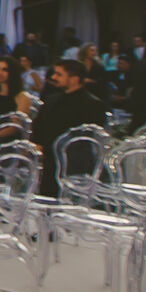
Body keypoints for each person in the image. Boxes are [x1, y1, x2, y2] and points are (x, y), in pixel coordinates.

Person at [30, 58, 109, 196]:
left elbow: (89, 140)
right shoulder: (51, 99)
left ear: (75, 79)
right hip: (48, 159)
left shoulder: (93, 105)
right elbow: (38, 127)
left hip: (75, 163)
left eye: (59, 74)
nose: (53, 77)